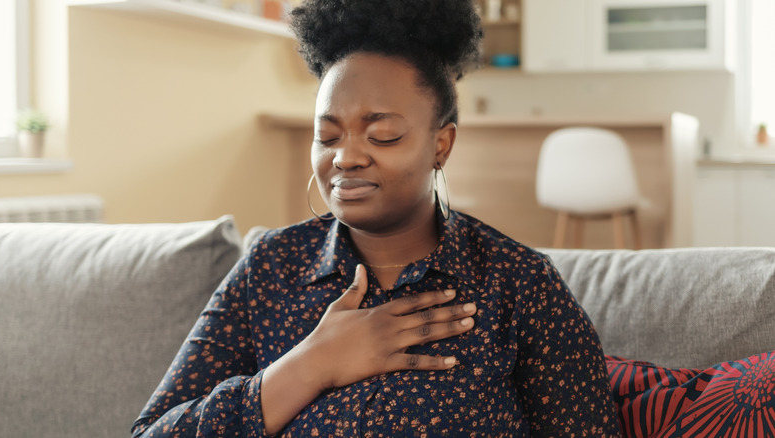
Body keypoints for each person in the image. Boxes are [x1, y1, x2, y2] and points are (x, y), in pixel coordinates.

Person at [132, 0, 620, 436]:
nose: (345, 157)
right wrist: (310, 365)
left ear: (441, 145)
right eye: (327, 136)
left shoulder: (518, 284)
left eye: (382, 135)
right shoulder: (271, 270)